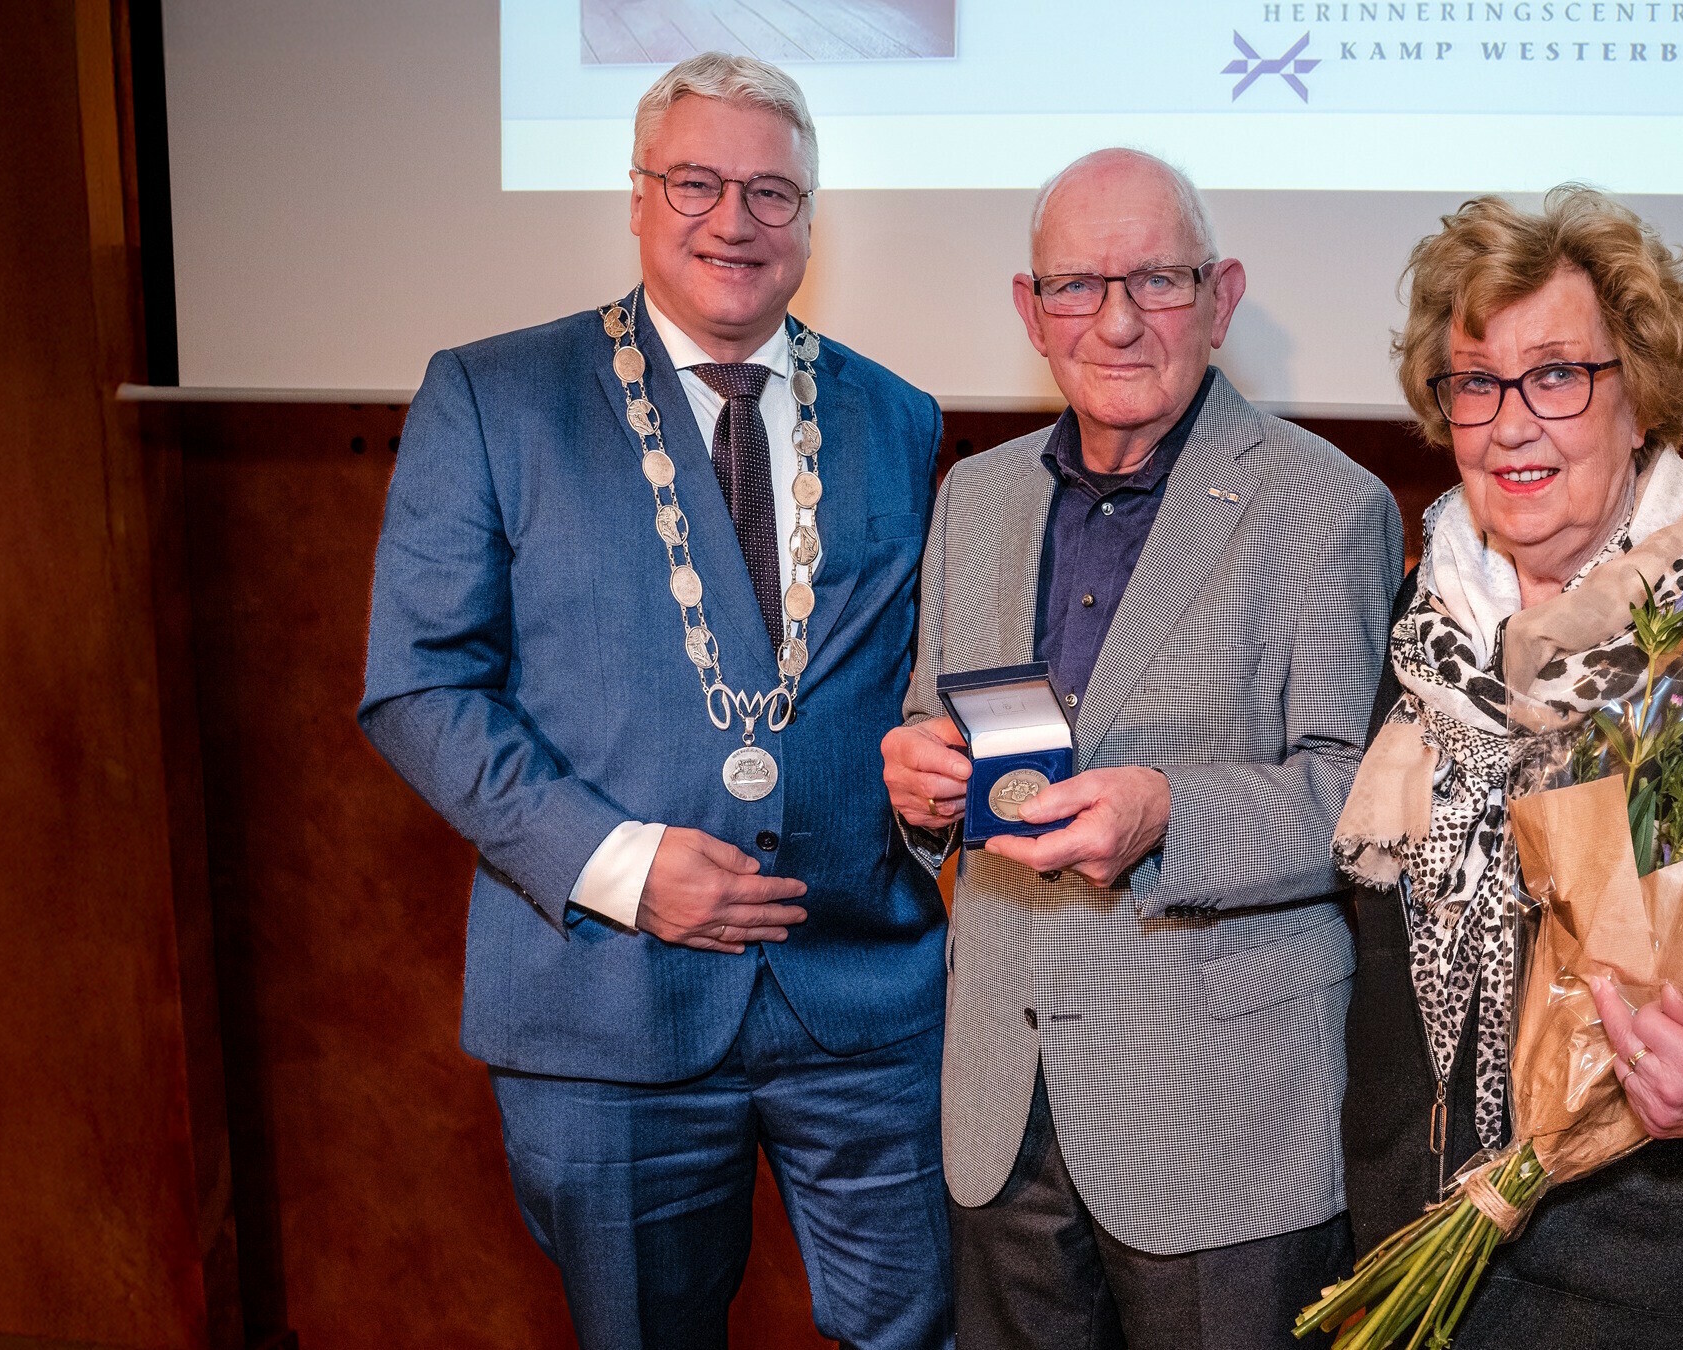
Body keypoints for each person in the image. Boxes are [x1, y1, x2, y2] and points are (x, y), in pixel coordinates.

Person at [359, 53, 950, 1350]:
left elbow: (920, 681)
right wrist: (621, 865)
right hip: (604, 1003)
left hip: (865, 996)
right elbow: (417, 682)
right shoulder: (495, 398)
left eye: (772, 192)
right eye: (697, 182)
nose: (734, 221)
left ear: (810, 216)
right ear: (637, 197)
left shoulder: (899, 419)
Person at [878, 148, 1403, 1350]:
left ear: (1220, 299)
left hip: (1217, 1120)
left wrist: (1170, 813)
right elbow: (929, 716)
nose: (1116, 322)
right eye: (1078, 286)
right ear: (1031, 309)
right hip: (1003, 1113)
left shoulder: (1325, 507)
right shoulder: (979, 496)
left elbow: (1354, 797)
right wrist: (917, 784)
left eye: (1157, 282)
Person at [1334, 186, 1683, 1348]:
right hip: (1404, 1272)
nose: (1513, 423)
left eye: (1558, 375)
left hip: (1653, 1288)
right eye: (1476, 381)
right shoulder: (1403, 638)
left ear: (1642, 396)